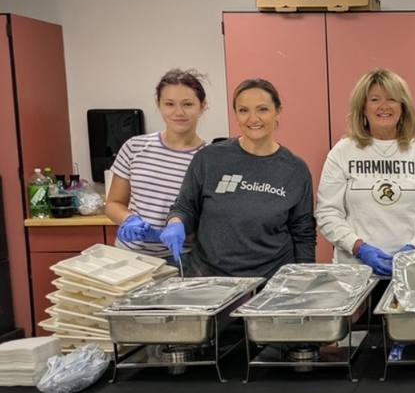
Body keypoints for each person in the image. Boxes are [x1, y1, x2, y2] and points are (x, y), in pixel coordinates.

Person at [162, 78, 316, 278]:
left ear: (278, 112)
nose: (253, 118)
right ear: (236, 115)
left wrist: (303, 279)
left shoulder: (295, 169)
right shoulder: (210, 158)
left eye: (262, 109)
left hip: (271, 281)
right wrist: (176, 223)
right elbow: (185, 208)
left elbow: (303, 233)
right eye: (244, 110)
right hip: (210, 278)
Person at [315, 69, 415, 276]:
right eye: (375, 99)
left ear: (403, 107)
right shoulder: (342, 152)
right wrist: (359, 248)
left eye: (392, 99)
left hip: (410, 270)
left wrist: (413, 248)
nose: (384, 106)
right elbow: (327, 213)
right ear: (363, 108)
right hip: (356, 272)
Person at [105, 68, 208, 269]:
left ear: (202, 106)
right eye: (169, 104)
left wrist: (182, 233)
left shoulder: (209, 159)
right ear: (158, 105)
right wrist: (129, 219)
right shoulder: (134, 147)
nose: (179, 112)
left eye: (187, 104)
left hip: (180, 260)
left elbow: (210, 224)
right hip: (129, 257)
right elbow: (113, 203)